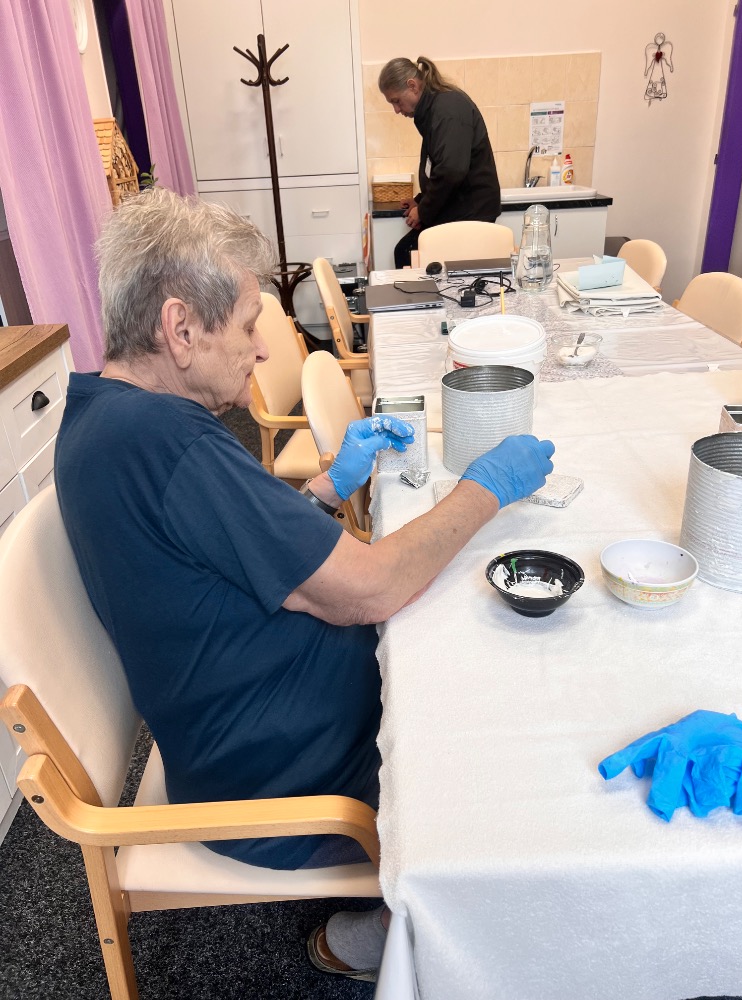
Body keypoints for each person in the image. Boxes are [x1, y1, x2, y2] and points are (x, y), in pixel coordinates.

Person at [54, 188, 554, 983]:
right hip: (274, 778)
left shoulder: (103, 415)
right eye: (247, 324)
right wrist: (487, 488)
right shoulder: (165, 441)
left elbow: (203, 552)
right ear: (180, 328)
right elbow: (371, 588)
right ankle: (396, 935)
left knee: (465, 624)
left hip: (238, 727)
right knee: (515, 732)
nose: (260, 350)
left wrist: (321, 492)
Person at [379, 56, 501, 268]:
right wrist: (421, 200)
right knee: (406, 252)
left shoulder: (447, 109)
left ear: (413, 86)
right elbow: (440, 167)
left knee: (407, 252)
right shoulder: (435, 109)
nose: (396, 110)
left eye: (396, 101)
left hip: (470, 213)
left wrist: (423, 210)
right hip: (460, 208)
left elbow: (451, 170)